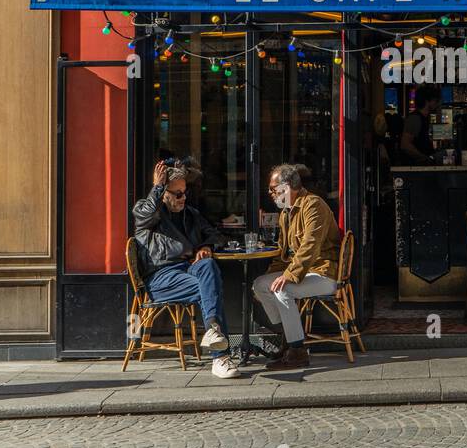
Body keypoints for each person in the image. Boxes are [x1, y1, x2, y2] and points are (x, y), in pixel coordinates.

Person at [133, 160, 239, 378]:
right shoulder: (150, 212)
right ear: (164, 193)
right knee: (209, 288)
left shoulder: (190, 214)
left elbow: (215, 234)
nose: (183, 198)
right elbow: (144, 215)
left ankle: (212, 332)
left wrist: (206, 246)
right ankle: (221, 357)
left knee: (208, 266)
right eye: (177, 193)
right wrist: (157, 187)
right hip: (160, 276)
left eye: (185, 192)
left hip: (186, 270)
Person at [252, 163, 342, 371]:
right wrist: (272, 275)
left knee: (283, 290)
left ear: (286, 187)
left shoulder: (313, 205)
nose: (270, 193)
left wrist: (289, 275)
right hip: (304, 272)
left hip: (323, 273)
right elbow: (284, 254)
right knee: (260, 285)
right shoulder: (286, 213)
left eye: (273, 189)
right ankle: (287, 336)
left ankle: (297, 351)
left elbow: (311, 245)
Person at [399, 85, 441, 165]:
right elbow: (405, 145)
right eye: (435, 100)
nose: (437, 103)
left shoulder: (424, 118)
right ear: (427, 101)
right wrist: (425, 158)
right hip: (416, 168)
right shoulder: (415, 118)